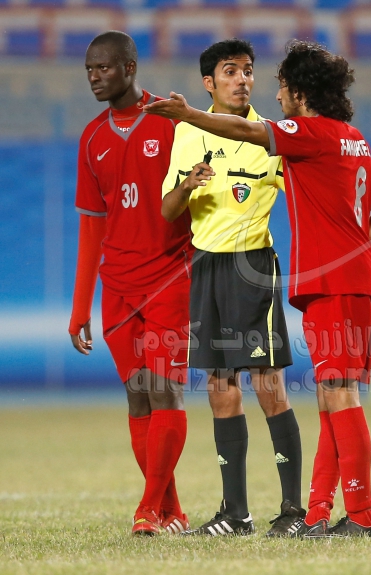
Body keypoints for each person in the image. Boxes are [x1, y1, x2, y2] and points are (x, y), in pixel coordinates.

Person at [145, 39, 371, 538]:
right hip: (335, 278)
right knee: (330, 395)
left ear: (301, 92)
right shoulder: (351, 137)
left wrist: (187, 114)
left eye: (279, 84)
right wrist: (352, 245)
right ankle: (316, 512)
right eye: (235, 72)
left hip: (317, 279)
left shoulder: (305, 133)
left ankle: (359, 515)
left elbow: (249, 130)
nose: (272, 91)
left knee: (336, 393)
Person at [160, 39, 303, 538]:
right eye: (230, 71)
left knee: (268, 384)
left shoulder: (270, 136)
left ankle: (293, 511)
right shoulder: (187, 132)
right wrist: (187, 185)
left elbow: (302, 195)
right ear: (209, 82)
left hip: (253, 268)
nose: (242, 79)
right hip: (206, 268)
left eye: (247, 70)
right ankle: (235, 514)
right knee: (220, 388)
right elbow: (168, 210)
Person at [68, 31, 193, 535]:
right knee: (139, 397)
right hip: (117, 287)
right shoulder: (92, 138)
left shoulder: (172, 121)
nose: (95, 77)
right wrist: (80, 307)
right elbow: (91, 227)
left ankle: (146, 510)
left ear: (130, 67)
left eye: (104, 67)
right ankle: (171, 510)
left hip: (170, 278)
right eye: (89, 70)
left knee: (165, 391)